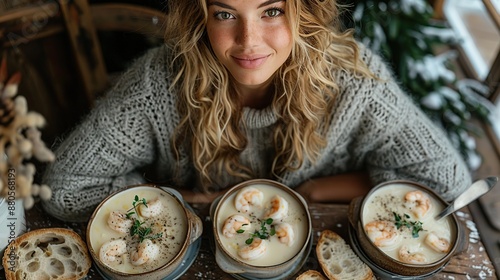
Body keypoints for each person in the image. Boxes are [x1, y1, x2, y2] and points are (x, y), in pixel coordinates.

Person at [42, 0, 471, 222]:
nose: (249, 41)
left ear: (304, 12)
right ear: (201, 18)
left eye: (271, 11)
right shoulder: (160, 83)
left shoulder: (354, 81)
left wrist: (315, 193)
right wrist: (178, 200)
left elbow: (444, 185)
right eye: (226, 13)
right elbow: (65, 190)